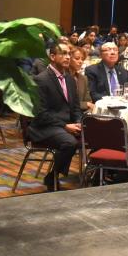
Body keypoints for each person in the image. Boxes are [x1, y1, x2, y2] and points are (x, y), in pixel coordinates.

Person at [27, 44, 82, 191]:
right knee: (69, 143)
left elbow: (75, 107)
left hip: (65, 126)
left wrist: (78, 122)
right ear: (52, 57)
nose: (68, 57)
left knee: (94, 134)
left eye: (69, 54)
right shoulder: (41, 80)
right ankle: (53, 176)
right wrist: (65, 126)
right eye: (63, 54)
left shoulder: (69, 79)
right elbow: (41, 114)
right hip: (43, 127)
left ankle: (96, 175)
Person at [69, 46, 95, 113]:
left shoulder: (83, 78)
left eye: (82, 59)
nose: (80, 61)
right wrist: (85, 104)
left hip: (81, 114)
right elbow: (63, 103)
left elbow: (88, 101)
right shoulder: (62, 78)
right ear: (68, 59)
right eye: (77, 58)